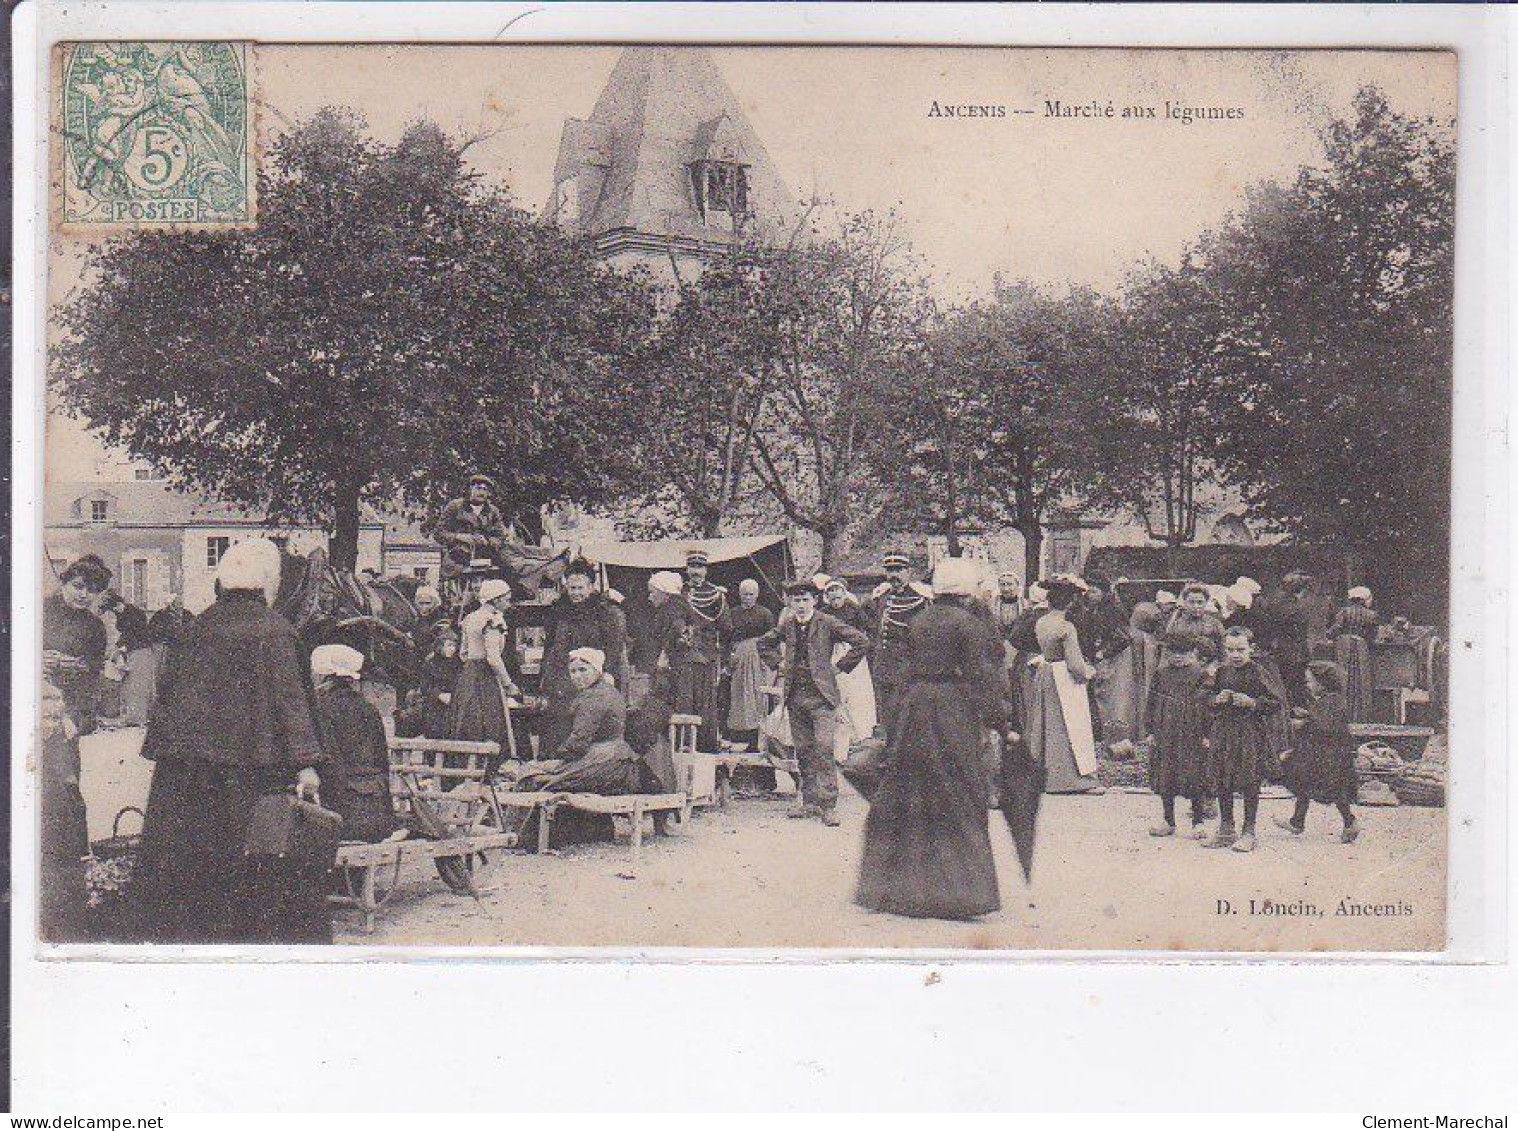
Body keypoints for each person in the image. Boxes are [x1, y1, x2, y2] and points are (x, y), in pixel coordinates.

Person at [132, 539, 331, 944]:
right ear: (268, 585)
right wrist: (307, 763)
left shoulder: (197, 627)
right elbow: (292, 701)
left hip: (187, 771)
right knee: (249, 862)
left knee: (194, 862)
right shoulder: (277, 631)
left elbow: (168, 696)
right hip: (248, 772)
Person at [855, 558, 1008, 921]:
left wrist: (896, 720)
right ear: (965, 591)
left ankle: (899, 891)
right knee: (956, 792)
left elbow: (904, 674)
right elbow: (982, 677)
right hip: (952, 711)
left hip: (914, 711)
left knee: (910, 794)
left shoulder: (918, 621)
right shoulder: (969, 624)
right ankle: (956, 894)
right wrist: (1001, 721)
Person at [756, 582, 870, 825]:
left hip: (822, 697)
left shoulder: (826, 622)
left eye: (805, 599)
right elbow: (763, 643)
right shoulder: (787, 624)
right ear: (790, 603)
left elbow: (861, 641)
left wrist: (839, 668)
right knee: (804, 749)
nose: (800, 604)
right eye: (796, 600)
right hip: (796, 695)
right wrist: (778, 665)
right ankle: (810, 803)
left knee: (824, 747)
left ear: (815, 600)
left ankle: (829, 805)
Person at [515, 648, 648, 847]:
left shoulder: (594, 698)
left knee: (541, 780)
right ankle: (593, 831)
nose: (577, 676)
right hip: (617, 761)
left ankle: (531, 838)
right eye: (573, 672)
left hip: (606, 761)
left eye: (583, 670)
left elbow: (578, 742)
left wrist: (554, 759)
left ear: (596, 670)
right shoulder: (606, 691)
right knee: (549, 775)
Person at [1200, 626, 1281, 853]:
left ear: (1251, 649)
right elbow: (1202, 695)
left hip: (1249, 732)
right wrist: (1215, 698)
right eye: (1230, 650)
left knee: (1249, 779)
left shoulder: (1258, 672)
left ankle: (1249, 831)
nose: (1235, 655)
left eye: (1241, 649)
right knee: (1222, 776)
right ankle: (1226, 828)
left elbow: (1275, 702)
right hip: (1223, 731)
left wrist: (1253, 702)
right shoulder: (1221, 671)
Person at [311, 644, 399, 845]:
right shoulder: (368, 709)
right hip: (377, 808)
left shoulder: (321, 710)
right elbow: (382, 761)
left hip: (343, 814)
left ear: (325, 677)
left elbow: (331, 765)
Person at [541, 559, 629, 752]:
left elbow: (614, 649)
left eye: (580, 588)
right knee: (561, 725)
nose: (576, 593)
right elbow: (551, 648)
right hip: (564, 680)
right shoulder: (559, 611)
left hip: (594, 679)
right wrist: (547, 682)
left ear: (591, 586)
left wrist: (607, 675)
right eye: (572, 588)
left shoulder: (607, 612)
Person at [1028, 578, 1102, 794]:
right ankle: (1071, 780)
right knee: (1071, 726)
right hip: (1064, 677)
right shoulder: (1066, 627)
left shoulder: (1041, 622)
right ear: (1070, 603)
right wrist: (1086, 672)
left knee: (1048, 726)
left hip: (1047, 672)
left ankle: (1045, 778)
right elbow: (1075, 664)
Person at [1276, 660, 1362, 843]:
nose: (1307, 685)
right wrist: (1308, 716)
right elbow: (1322, 720)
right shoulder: (1329, 700)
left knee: (1332, 789)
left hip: (1329, 756)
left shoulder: (1332, 701)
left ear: (1323, 683)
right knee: (1304, 782)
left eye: (1310, 681)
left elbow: (1325, 727)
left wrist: (1304, 723)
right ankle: (1298, 821)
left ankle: (1349, 822)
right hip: (1324, 754)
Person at [1146, 634, 1213, 838]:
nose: (1177, 657)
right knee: (1166, 775)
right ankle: (1168, 820)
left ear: (1192, 653)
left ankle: (1198, 821)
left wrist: (1207, 733)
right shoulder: (1161, 674)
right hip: (1166, 731)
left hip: (1192, 732)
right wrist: (1149, 730)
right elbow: (1151, 702)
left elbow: (1208, 706)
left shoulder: (1200, 674)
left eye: (1182, 653)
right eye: (1173, 653)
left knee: (1194, 775)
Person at [449, 579, 524, 759]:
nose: (508, 603)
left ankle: (466, 764)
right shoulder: (493, 620)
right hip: (485, 675)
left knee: (467, 719)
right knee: (490, 721)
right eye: (506, 599)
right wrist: (508, 684)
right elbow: (494, 658)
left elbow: (463, 652)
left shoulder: (470, 617)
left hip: (468, 674)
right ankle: (489, 767)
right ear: (496, 600)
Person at [44, 554, 113, 736]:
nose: (84, 595)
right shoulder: (38, 610)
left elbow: (95, 666)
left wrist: (72, 663)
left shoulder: (95, 626)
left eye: (92, 590)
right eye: (78, 586)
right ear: (64, 583)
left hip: (70, 706)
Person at [866, 551, 932, 735]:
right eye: (890, 570)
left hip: (908, 664)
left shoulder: (920, 597)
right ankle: (890, 751)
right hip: (884, 663)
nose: (893, 575)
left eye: (898, 570)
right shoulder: (881, 596)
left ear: (908, 572)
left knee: (908, 711)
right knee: (887, 711)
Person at [821, 576, 879, 758]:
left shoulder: (854, 610)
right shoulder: (823, 613)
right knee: (837, 696)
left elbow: (867, 632)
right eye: (830, 592)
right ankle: (839, 747)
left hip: (854, 655)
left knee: (857, 696)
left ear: (844, 593)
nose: (834, 595)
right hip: (831, 654)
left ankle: (861, 740)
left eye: (837, 591)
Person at [679, 549, 731, 750]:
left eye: (700, 567)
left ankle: (705, 745)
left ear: (706, 570)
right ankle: (682, 744)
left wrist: (722, 655)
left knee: (706, 700)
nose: (696, 571)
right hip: (683, 653)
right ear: (686, 568)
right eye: (692, 567)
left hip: (707, 654)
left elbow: (726, 628)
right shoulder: (679, 592)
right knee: (684, 699)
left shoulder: (716, 595)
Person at [432, 474, 515, 581]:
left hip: (486, 558)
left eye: (485, 490)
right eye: (478, 488)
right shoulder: (455, 506)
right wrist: (460, 537)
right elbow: (438, 534)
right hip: (458, 558)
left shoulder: (492, 511)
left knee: (509, 570)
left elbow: (500, 537)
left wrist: (489, 540)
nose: (481, 492)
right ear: (470, 489)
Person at [726, 578, 776, 751]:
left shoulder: (765, 613)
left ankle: (757, 738)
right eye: (744, 594)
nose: (748, 597)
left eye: (751, 594)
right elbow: (728, 637)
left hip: (758, 656)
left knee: (756, 695)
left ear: (757, 595)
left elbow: (772, 638)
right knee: (738, 695)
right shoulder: (733, 613)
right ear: (740, 595)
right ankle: (739, 736)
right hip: (739, 656)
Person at [1328, 586, 1378, 723]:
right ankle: (1360, 716)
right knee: (1361, 680)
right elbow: (1373, 636)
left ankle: (1345, 714)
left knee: (1344, 677)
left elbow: (1334, 630)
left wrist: (1334, 637)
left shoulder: (1344, 612)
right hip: (1361, 646)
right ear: (1363, 600)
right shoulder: (1371, 615)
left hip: (1343, 646)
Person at [1163, 582, 1226, 660]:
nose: (1196, 606)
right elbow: (1168, 651)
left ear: (1206, 603)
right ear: (1185, 603)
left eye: (1200, 602)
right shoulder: (1176, 624)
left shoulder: (1215, 623)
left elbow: (1223, 651)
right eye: (1191, 602)